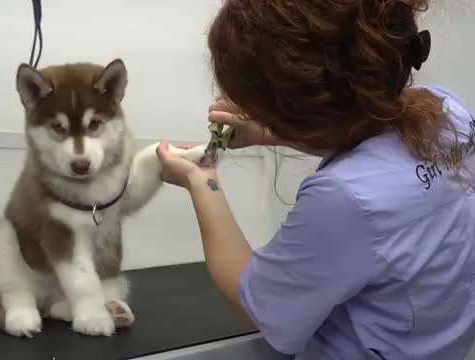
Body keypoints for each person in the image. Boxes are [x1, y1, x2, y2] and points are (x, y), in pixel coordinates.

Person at [156, 0, 475, 359]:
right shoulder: (451, 113)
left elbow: (258, 313)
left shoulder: (343, 199)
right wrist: (269, 133)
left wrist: (202, 181)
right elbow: (379, 154)